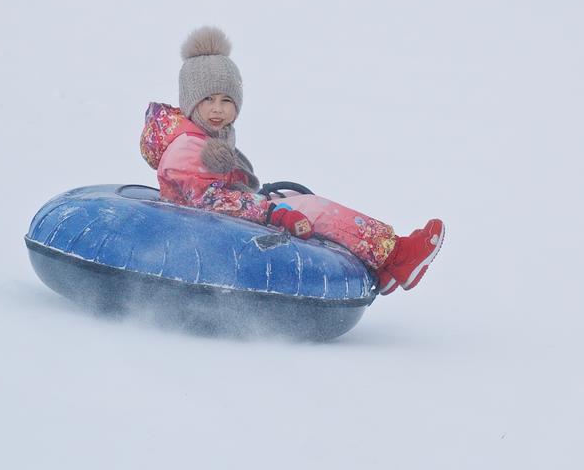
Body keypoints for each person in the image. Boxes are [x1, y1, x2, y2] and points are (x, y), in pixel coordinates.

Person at [140, 26, 444, 295]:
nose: (217, 109)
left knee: (291, 198)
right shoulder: (189, 148)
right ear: (190, 101)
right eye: (207, 99)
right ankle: (397, 255)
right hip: (200, 233)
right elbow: (210, 202)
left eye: (226, 100)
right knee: (313, 209)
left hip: (214, 221)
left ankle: (382, 267)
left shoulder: (207, 137)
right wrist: (272, 213)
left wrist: (268, 201)